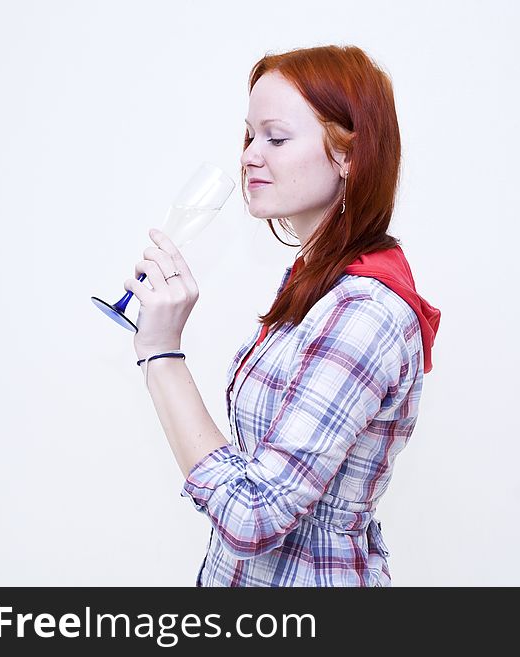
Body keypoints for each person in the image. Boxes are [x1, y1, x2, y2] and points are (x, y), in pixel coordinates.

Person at [123, 44, 441, 586]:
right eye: (250, 135)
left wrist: (162, 354)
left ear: (347, 154)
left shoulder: (366, 311)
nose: (249, 154)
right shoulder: (318, 281)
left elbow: (252, 515)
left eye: (276, 137)